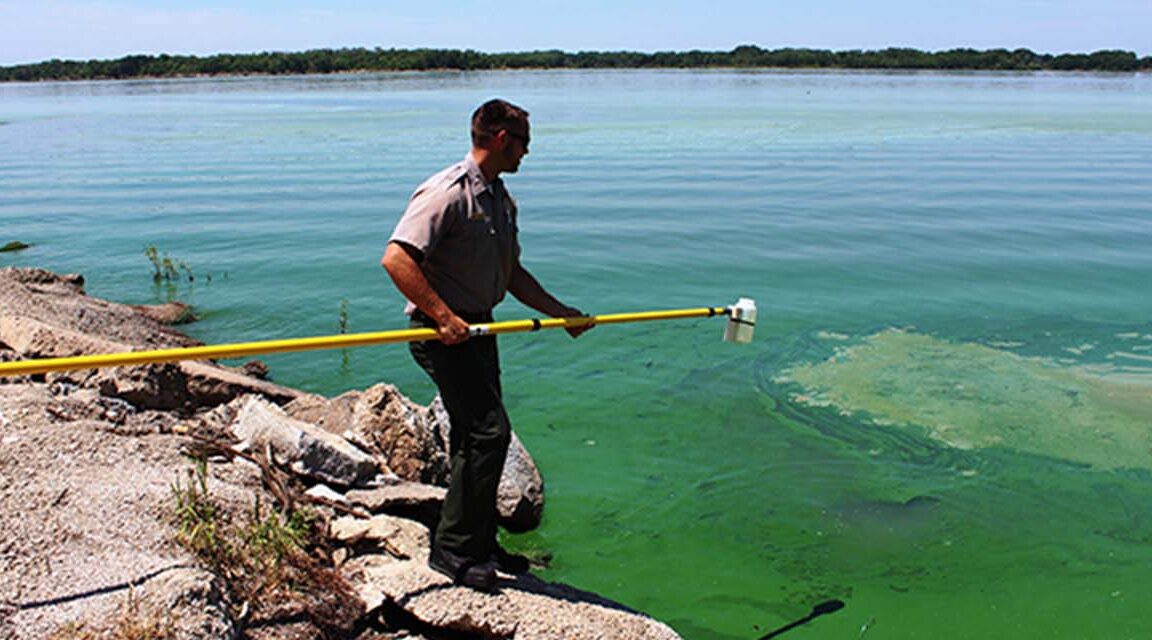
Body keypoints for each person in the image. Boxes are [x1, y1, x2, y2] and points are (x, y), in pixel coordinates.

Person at [382, 98, 592, 591]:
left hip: (480, 330)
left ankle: (479, 542)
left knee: (472, 437)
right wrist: (443, 316)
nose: (527, 152)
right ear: (501, 139)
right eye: (523, 143)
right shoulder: (447, 192)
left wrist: (560, 313)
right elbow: (397, 260)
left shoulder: (500, 198)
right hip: (441, 333)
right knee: (489, 433)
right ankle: (452, 551)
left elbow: (510, 272)